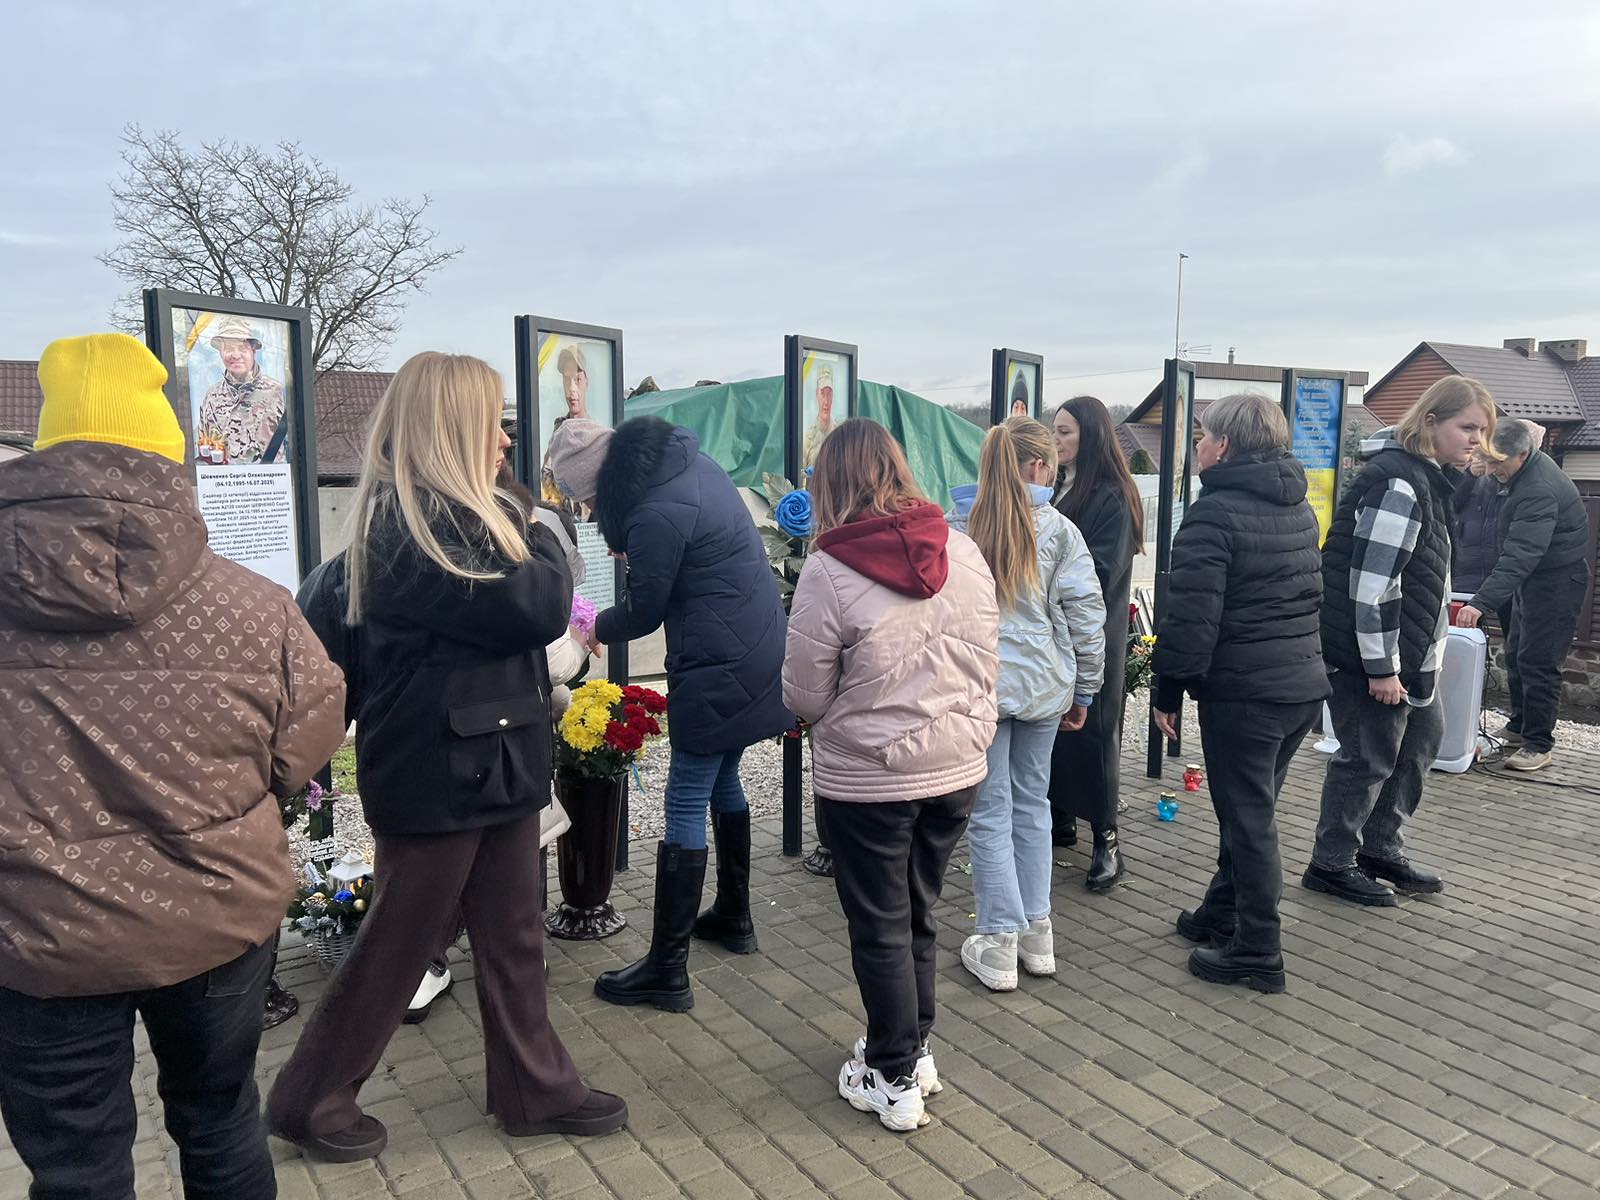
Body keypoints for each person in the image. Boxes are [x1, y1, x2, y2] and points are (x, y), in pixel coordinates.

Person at [0, 333, 347, 1199]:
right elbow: (304, 745)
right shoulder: (258, 609)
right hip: (215, 915)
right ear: (167, 457)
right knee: (221, 1120)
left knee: (75, 1167)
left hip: (36, 933)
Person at [266, 352, 628, 1163]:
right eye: (492, 423)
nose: (505, 440)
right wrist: (532, 514)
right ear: (451, 430)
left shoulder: (425, 526)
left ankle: (535, 1088)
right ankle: (310, 1100)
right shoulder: (428, 533)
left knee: (514, 937)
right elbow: (538, 603)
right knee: (398, 944)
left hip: (489, 765)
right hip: (442, 777)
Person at [783, 418, 999, 1132]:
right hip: (957, 767)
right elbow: (987, 654)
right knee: (918, 911)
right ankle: (914, 1049)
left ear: (830, 483)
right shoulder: (962, 549)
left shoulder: (828, 569)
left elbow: (805, 693)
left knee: (879, 924)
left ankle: (893, 1073)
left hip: (870, 778)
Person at [547, 414, 790, 1012]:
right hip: (758, 644)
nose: (586, 512)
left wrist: (592, 627)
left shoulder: (653, 512)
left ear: (599, 482)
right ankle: (734, 915)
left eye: (584, 500)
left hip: (717, 661)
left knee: (683, 798)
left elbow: (646, 609)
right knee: (724, 777)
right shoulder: (690, 464)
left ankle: (667, 968)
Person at [1150, 395, 1329, 993]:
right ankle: (1220, 912)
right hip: (1299, 687)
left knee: (1249, 821)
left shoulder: (1212, 515)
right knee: (1249, 809)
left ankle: (1258, 948)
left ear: (1224, 446)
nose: (1198, 445)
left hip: (1246, 694)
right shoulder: (1299, 507)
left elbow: (1190, 619)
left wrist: (1168, 690)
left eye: (1202, 436)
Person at [1307, 375, 1495, 905]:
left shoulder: (1428, 480)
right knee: (1367, 759)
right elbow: (1372, 586)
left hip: (1410, 657)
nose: (1477, 440)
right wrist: (1381, 668)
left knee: (1419, 744)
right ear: (1430, 421)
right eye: (1468, 428)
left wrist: (1429, 650)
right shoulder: (1399, 484)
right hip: (1371, 659)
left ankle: (1379, 848)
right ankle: (1331, 863)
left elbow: (1423, 577)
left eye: (1482, 431)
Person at [947, 417, 1105, 992]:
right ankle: (1038, 935)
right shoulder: (1060, 530)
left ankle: (997, 940)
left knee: (989, 811)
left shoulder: (957, 527)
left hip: (978, 688)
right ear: (1039, 466)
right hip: (1042, 688)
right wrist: (1085, 688)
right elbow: (1087, 617)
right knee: (1033, 804)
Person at [1048, 395, 1146, 889]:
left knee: (1095, 735)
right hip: (1055, 631)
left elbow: (1102, 572)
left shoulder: (1112, 496)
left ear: (1091, 435)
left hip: (1093, 635)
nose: (1056, 439)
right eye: (1053, 430)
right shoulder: (1059, 486)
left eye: (1065, 431)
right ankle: (1061, 818)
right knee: (1057, 731)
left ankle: (1107, 839)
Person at [1456, 418, 1591, 772]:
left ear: (1523, 453)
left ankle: (1538, 745)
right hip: (1533, 578)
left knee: (1539, 661)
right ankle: (1518, 727)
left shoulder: (1538, 489)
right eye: (1488, 460)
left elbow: (1521, 555)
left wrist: (1480, 603)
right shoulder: (1517, 474)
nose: (1492, 470)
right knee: (1517, 654)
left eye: (1498, 462)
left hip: (1557, 581)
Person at [197, 314, 288, 464]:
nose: (235, 355)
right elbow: (204, 448)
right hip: (225, 478)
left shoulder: (278, 392)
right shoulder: (211, 396)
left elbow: (297, 448)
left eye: (242, 348)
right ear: (220, 352)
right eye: (229, 348)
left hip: (270, 478)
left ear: (253, 351)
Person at [804, 366, 836, 470]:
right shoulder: (808, 437)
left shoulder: (840, 433)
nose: (826, 401)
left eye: (829, 394)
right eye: (822, 394)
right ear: (817, 395)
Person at [558, 344, 591, 421]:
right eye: (567, 380)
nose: (571, 388)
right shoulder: (559, 426)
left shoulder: (595, 428)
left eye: (577, 379)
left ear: (586, 383)